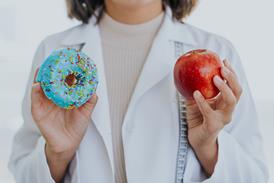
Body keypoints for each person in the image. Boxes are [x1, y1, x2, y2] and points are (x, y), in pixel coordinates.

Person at [8, 0, 268, 182]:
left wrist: (208, 146)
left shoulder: (218, 53)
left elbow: (254, 177)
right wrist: (57, 153)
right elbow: (23, 173)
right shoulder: (53, 54)